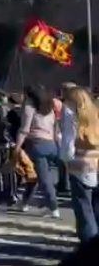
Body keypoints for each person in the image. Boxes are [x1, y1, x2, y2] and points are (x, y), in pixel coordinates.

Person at [15, 85, 61, 218]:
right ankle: (25, 202)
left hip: (36, 144)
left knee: (42, 178)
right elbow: (55, 127)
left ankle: (53, 207)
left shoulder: (30, 106)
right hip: (51, 144)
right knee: (35, 174)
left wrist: (17, 147)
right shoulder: (48, 106)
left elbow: (24, 129)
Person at [61, 86, 99, 242]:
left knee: (84, 209)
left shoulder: (71, 114)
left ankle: (90, 248)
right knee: (97, 208)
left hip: (79, 164)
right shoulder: (95, 113)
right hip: (97, 160)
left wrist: (65, 160)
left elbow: (68, 143)